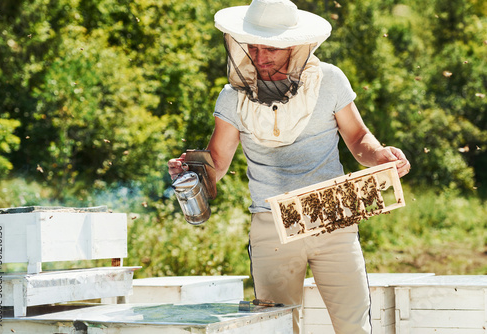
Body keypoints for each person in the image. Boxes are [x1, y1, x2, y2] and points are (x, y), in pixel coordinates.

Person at [168, 0, 411, 333]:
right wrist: (191, 174)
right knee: (276, 329)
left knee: (354, 326)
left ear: (294, 46)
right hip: (271, 226)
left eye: (270, 48)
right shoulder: (231, 96)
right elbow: (218, 162)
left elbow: (357, 138)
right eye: (252, 46)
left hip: (334, 217)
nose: (259, 56)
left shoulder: (330, 80)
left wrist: (381, 154)